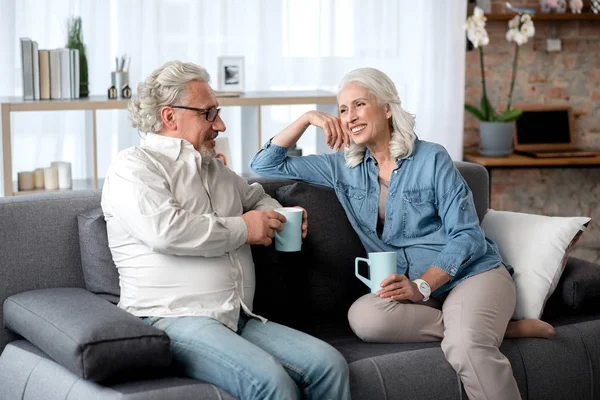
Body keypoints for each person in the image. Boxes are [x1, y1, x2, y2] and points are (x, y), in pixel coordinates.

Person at [250, 67, 555, 400]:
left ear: (386, 108)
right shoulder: (343, 167)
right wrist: (308, 118)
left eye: (359, 105)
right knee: (364, 317)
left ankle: (473, 331)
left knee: (466, 348)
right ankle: (493, 329)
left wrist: (423, 285)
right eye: (342, 109)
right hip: (411, 289)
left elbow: (468, 237)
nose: (349, 116)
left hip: (471, 275)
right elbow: (265, 164)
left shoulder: (432, 158)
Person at [101, 60, 351, 400]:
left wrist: (277, 216)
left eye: (217, 112)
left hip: (237, 317)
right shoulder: (134, 166)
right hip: (170, 317)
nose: (219, 124)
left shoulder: (214, 170)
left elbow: (257, 196)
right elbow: (166, 231)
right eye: (208, 113)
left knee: (329, 365)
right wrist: (244, 229)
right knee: (270, 382)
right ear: (169, 116)